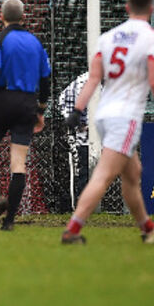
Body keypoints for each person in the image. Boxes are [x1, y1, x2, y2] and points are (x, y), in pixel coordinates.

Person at [62, 0, 154, 244]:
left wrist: (77, 110)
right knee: (104, 175)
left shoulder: (108, 38)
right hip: (125, 118)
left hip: (103, 115)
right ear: (151, 9)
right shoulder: (153, 39)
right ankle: (72, 230)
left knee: (132, 174)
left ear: (127, 7)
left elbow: (93, 79)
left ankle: (148, 228)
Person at [0, 0, 51, 231]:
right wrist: (41, 109)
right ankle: (9, 221)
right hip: (27, 103)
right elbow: (45, 80)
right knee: (18, 163)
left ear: (1, 17)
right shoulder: (36, 43)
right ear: (23, 17)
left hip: (3, 99)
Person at [58, 72, 95, 210]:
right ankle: (82, 205)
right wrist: (78, 124)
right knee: (83, 169)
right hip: (83, 136)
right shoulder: (83, 82)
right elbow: (64, 99)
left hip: (102, 134)